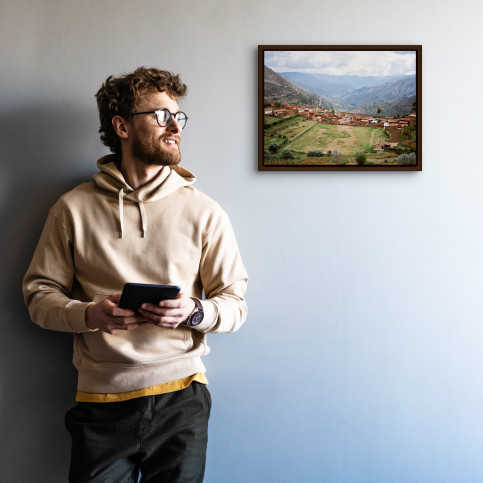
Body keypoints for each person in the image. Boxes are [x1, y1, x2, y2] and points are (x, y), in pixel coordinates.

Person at [22, 67, 248, 482]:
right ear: (122, 126)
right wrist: (90, 315)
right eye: (161, 115)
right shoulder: (71, 209)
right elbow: (38, 296)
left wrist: (193, 312)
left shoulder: (205, 212)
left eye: (178, 116)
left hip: (182, 399)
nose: (174, 126)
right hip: (99, 402)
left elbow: (235, 304)